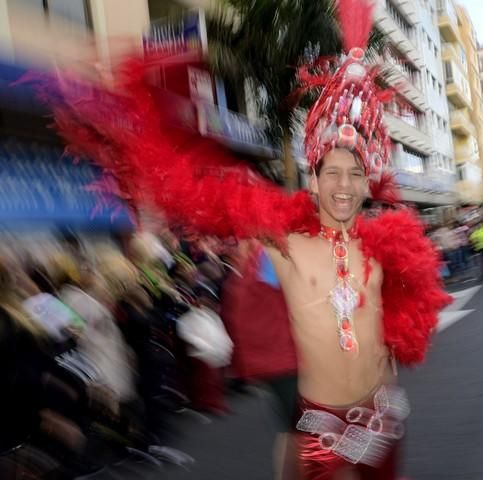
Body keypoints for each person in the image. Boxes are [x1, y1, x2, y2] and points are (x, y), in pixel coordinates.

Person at [30, 0, 450, 477]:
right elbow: (201, 193)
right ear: (313, 178)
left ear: (368, 180)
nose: (343, 185)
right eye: (331, 172)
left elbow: (398, 324)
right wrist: (148, 118)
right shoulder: (283, 235)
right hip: (321, 420)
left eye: (355, 173)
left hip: (381, 414)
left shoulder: (386, 244)